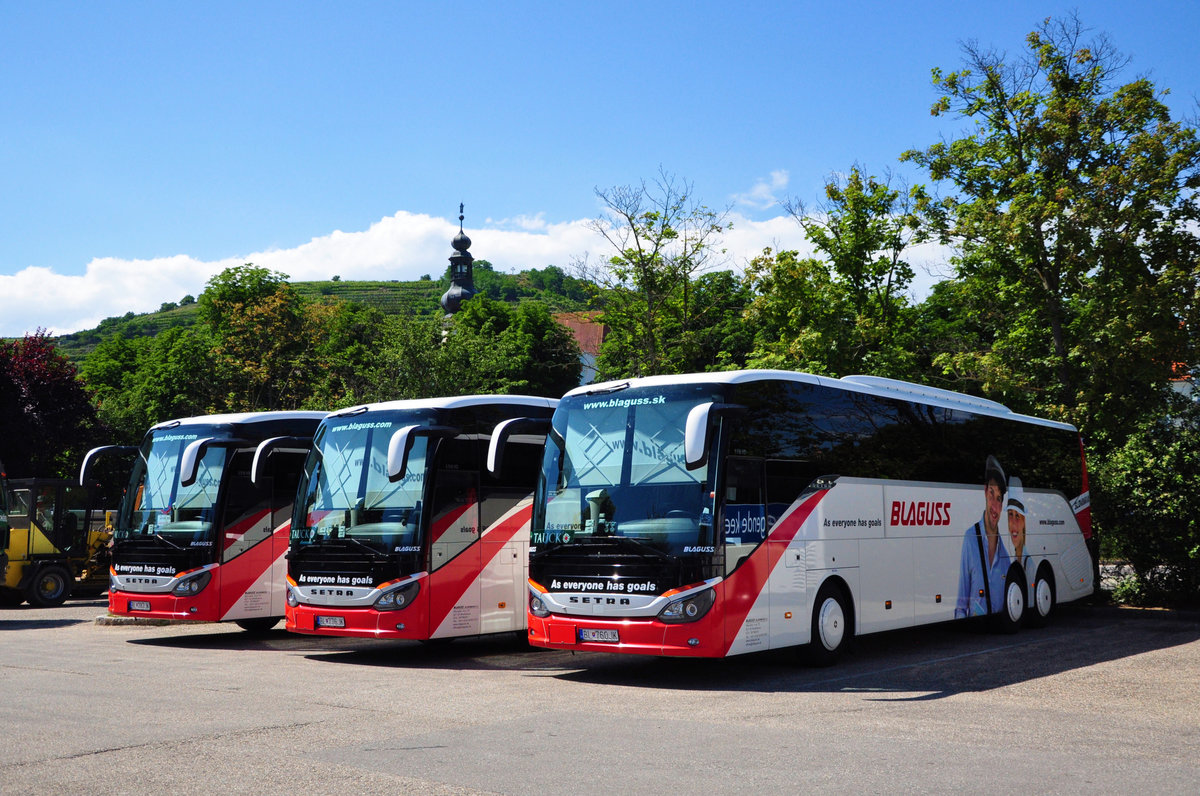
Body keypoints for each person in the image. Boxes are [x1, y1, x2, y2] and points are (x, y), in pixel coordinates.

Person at [955, 455, 1012, 618]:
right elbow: (961, 605)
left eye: (999, 499)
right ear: (985, 491)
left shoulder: (1006, 559)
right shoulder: (970, 538)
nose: (995, 506)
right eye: (992, 494)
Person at [1006, 476, 1027, 565]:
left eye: (1017, 516)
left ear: (1024, 521)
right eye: (1010, 514)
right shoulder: (1012, 560)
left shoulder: (1029, 565)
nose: (1013, 523)